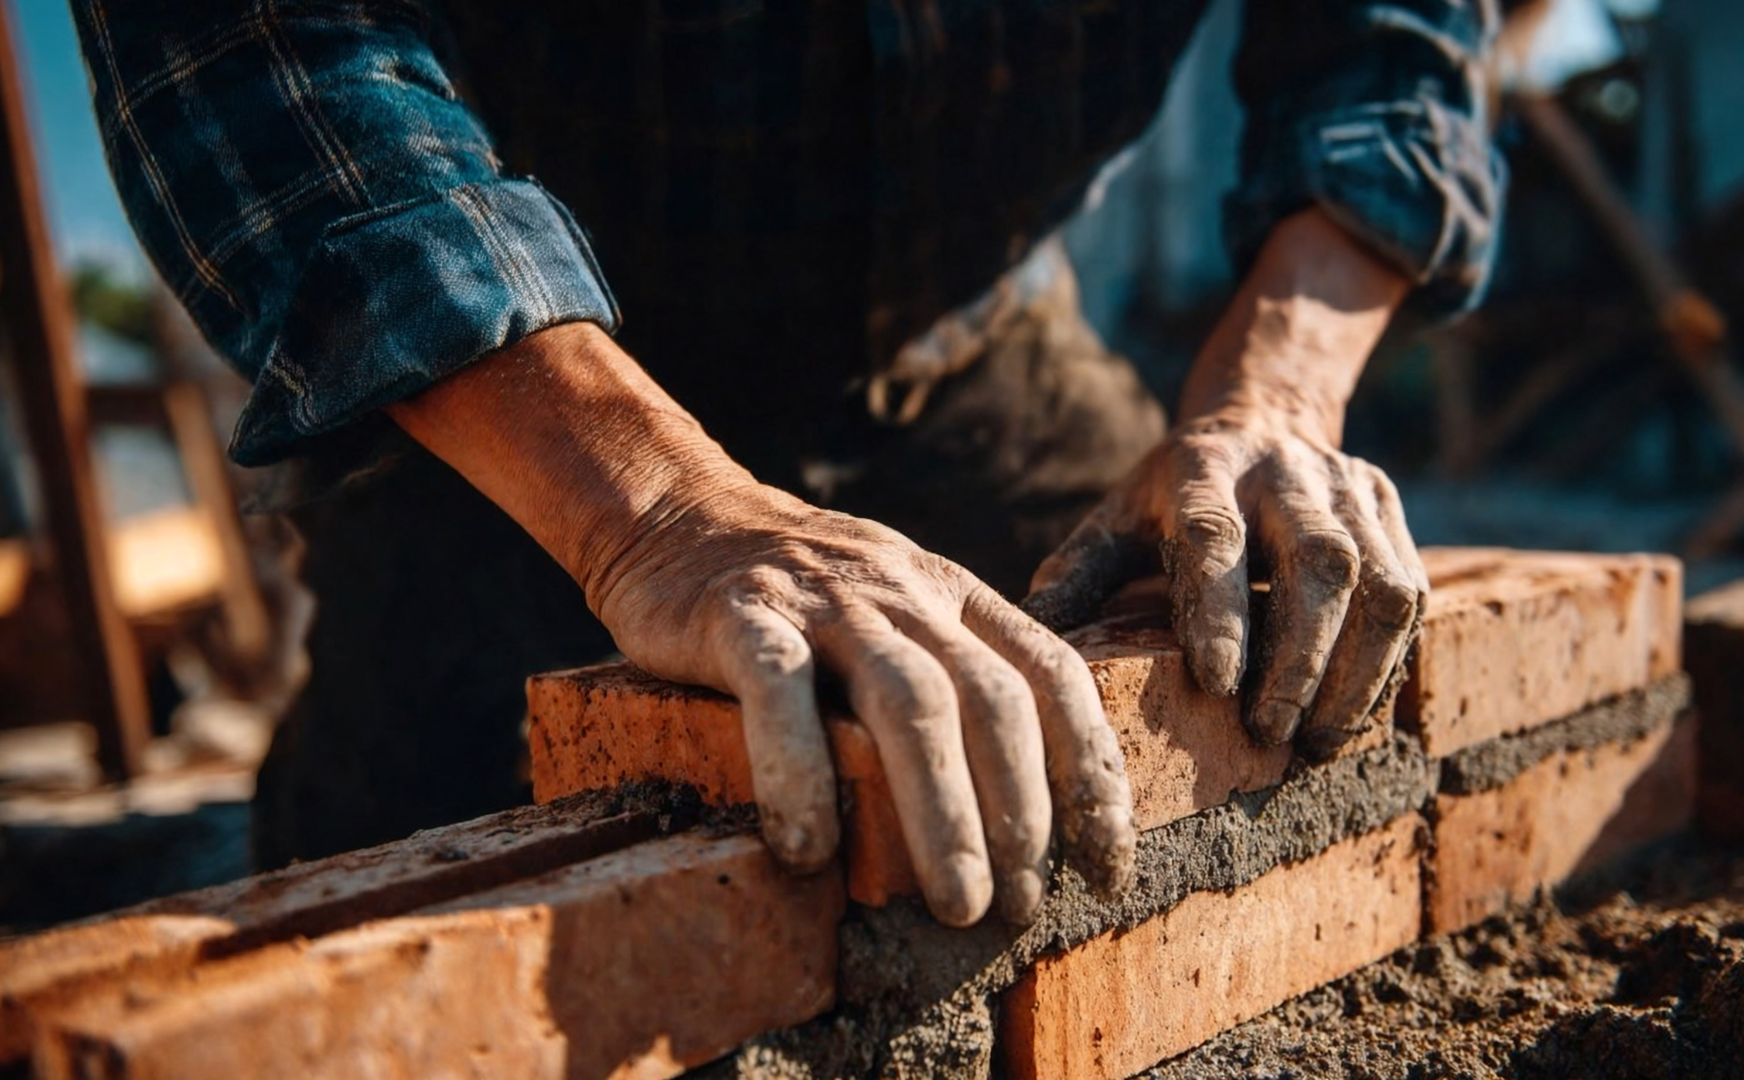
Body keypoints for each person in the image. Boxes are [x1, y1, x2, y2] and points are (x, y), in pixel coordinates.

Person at [72, 0, 1502, 928]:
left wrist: (1272, 401)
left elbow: (1382, 52)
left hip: (972, 338)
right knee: (383, 887)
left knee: (1154, 719)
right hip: (519, 404)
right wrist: (663, 514)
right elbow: (261, 56)